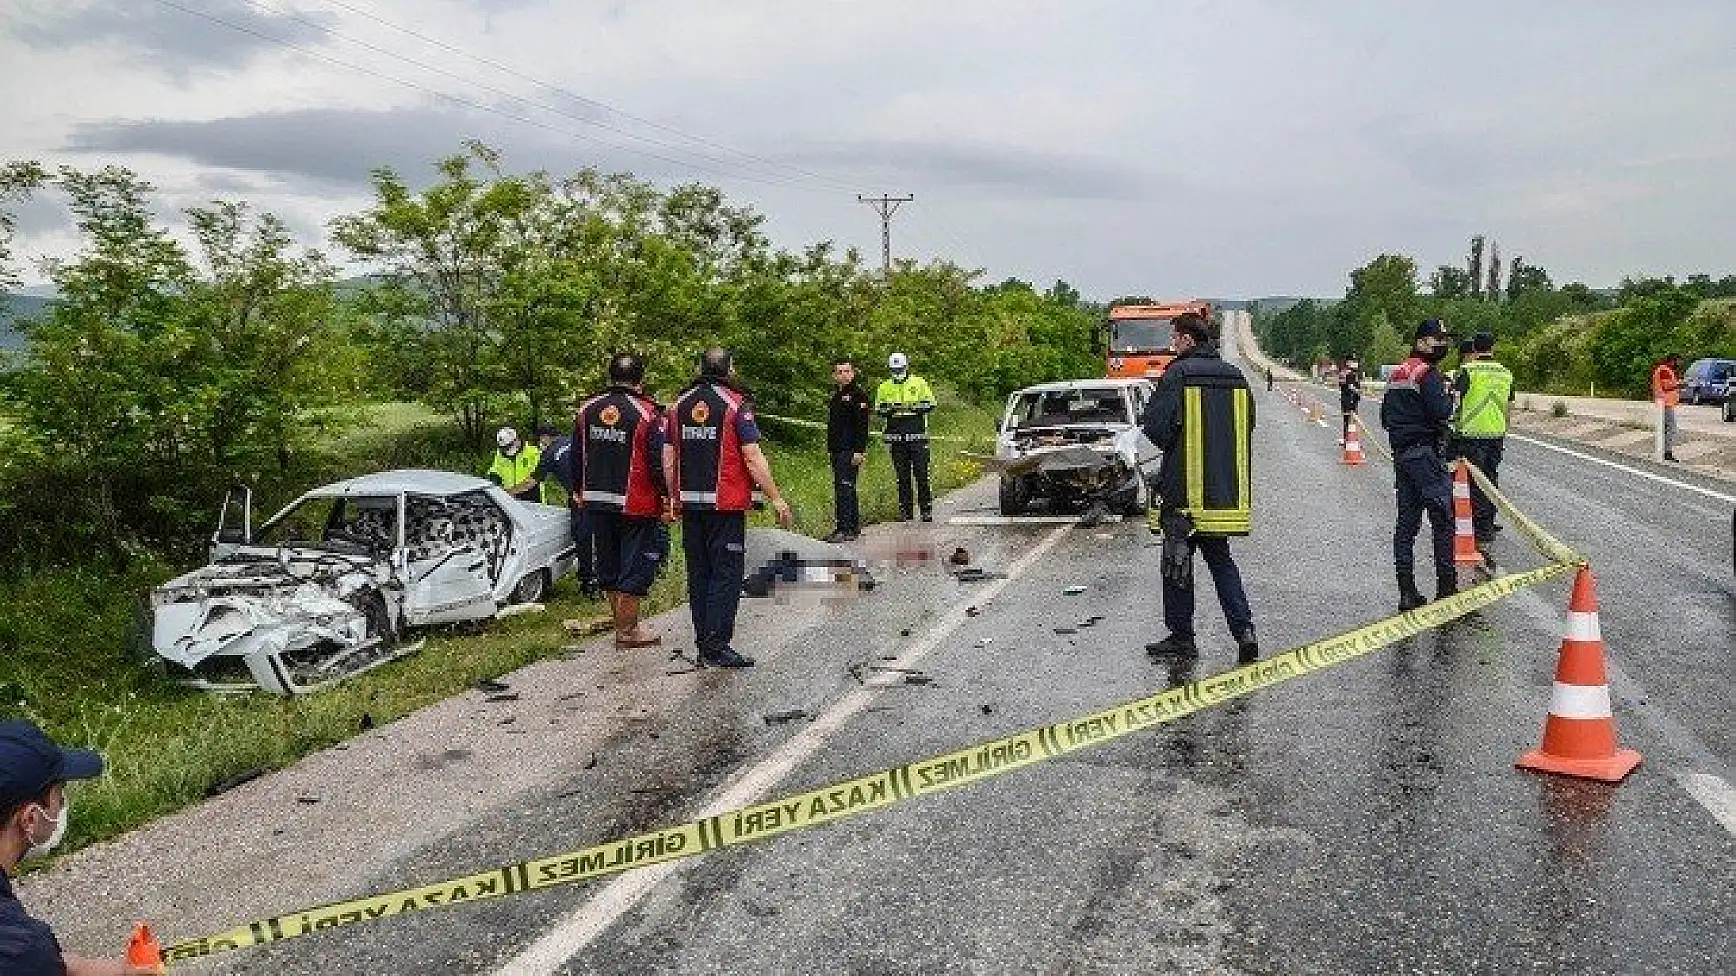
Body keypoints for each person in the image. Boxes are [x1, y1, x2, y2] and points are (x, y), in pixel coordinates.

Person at [1138, 312, 1259, 665]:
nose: (1172, 344)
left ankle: (1182, 638)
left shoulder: (1178, 374)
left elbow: (1156, 427)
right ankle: (1245, 632)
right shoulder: (1236, 377)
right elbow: (1247, 424)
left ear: (1188, 340)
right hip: (1221, 491)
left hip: (1183, 491)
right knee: (1221, 562)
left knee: (1177, 561)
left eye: (1175, 337)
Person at [664, 348, 793, 668]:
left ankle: (704, 641)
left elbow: (668, 458)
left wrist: (673, 497)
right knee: (726, 574)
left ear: (700, 368)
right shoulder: (736, 404)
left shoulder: (677, 405)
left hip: (690, 503)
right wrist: (775, 497)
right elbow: (751, 455)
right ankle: (717, 646)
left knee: (699, 574)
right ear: (729, 369)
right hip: (725, 505)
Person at [2, 720, 159, 976]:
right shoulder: (22, 950)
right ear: (30, 818)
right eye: (59, 794)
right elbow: (22, 957)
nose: (63, 804)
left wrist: (111, 970)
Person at [574, 354, 670, 648]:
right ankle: (628, 631)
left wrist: (577, 489)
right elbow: (657, 460)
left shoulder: (587, 409)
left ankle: (623, 627)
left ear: (610, 377)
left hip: (596, 500)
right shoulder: (648, 414)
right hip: (635, 502)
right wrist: (666, 495)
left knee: (609, 564)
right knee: (635, 565)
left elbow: (577, 453)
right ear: (641, 380)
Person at [1381, 319, 1459, 611]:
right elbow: (1441, 413)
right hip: (1426, 455)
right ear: (1421, 342)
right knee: (1443, 522)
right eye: (1438, 339)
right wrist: (1451, 396)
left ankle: (1407, 592)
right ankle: (1446, 589)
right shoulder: (1427, 374)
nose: (1443, 345)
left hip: (1402, 456)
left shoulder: (1397, 374)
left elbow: (1385, 418)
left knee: (1406, 526)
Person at [1450, 331, 1515, 542]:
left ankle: (1476, 526)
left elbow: (1455, 402)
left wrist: (1452, 426)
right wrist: (1503, 428)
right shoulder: (1505, 373)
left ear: (1474, 349)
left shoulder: (1467, 371)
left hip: (1470, 433)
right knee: (1490, 478)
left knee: (1471, 481)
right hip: (1496, 433)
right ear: (1492, 348)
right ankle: (1487, 523)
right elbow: (1509, 406)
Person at [532, 425, 598, 597]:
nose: (540, 443)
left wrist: (508, 492)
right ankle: (605, 573)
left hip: (579, 498)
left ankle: (589, 580)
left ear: (545, 437)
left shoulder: (549, 453)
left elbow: (533, 481)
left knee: (582, 537)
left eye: (540, 439)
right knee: (602, 533)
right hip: (599, 492)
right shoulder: (574, 440)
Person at [873, 352, 937, 522]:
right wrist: (891, 409)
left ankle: (926, 509)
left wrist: (913, 407)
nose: (897, 372)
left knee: (921, 474)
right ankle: (906, 510)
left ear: (906, 366)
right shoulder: (884, 386)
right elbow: (879, 409)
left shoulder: (919, 382)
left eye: (900, 369)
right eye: (894, 370)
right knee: (902, 477)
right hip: (896, 437)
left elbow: (931, 404)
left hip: (917, 435)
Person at [826, 358, 872, 542]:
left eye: (847, 371)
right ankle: (851, 527)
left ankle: (845, 529)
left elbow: (863, 425)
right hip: (837, 449)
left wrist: (859, 450)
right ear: (834, 376)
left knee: (845, 488)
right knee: (843, 488)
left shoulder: (858, 396)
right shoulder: (836, 397)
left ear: (853, 373)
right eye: (840, 372)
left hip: (850, 450)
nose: (844, 375)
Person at [486, 427, 544, 503]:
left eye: (509, 447)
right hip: (510, 500)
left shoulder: (533, 453)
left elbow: (534, 479)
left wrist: (510, 492)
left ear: (517, 440)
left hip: (533, 497)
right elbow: (495, 469)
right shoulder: (501, 454)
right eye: (505, 448)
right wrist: (494, 479)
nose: (506, 450)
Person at [1652, 354, 1683, 462]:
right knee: (1671, 427)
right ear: (1672, 361)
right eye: (1678, 361)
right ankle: (1667, 453)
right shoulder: (1664, 370)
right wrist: (1679, 384)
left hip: (1664, 402)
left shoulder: (1664, 369)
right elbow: (1666, 386)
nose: (1679, 364)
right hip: (1665, 403)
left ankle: (1663, 450)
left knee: (1665, 428)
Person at [1338, 358, 1363, 445]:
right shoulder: (1349, 374)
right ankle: (1349, 439)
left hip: (1349, 399)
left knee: (1349, 420)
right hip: (1349, 399)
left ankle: (1349, 439)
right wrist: (1358, 391)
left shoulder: (1347, 373)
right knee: (1350, 419)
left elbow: (1343, 385)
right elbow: (1350, 386)